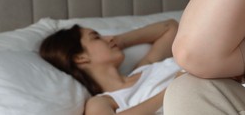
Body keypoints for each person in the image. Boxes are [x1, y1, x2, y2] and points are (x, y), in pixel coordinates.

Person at [40, 19, 183, 115]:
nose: (108, 38)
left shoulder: (145, 67)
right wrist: (173, 90)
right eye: (96, 37)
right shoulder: (101, 102)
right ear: (80, 58)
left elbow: (170, 27)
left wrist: (119, 41)